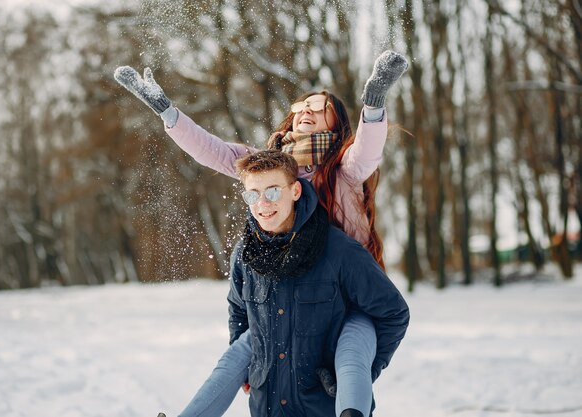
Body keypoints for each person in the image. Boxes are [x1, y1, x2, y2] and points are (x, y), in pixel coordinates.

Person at [114, 50, 408, 417]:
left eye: (319, 107)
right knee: (244, 350)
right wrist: (167, 112)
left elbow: (367, 150)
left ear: (336, 125)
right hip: (293, 293)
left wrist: (375, 101)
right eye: (302, 104)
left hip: (347, 295)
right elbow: (214, 151)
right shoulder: (271, 166)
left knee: (350, 356)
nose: (306, 109)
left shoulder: (342, 168)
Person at [231, 149, 408, 417]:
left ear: (295, 191)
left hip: (328, 408)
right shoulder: (245, 255)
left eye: (273, 191)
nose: (263, 204)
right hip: (266, 407)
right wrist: (247, 366)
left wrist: (360, 374)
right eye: (253, 194)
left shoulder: (338, 250)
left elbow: (393, 313)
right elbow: (238, 312)